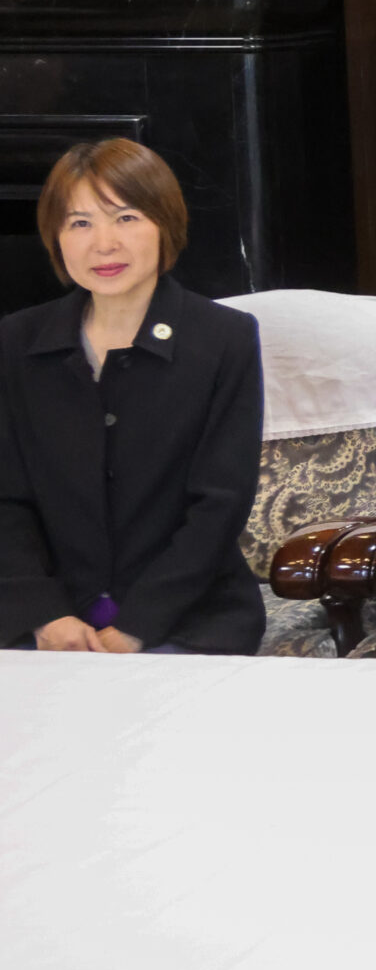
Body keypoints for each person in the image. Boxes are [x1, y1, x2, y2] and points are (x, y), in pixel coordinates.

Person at [0, 140, 264, 655]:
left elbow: (219, 505)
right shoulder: (16, 341)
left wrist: (137, 626)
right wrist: (45, 614)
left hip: (186, 622)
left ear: (165, 225)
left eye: (126, 218)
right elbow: (6, 499)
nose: (104, 244)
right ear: (56, 237)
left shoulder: (224, 339)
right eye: (80, 223)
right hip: (47, 625)